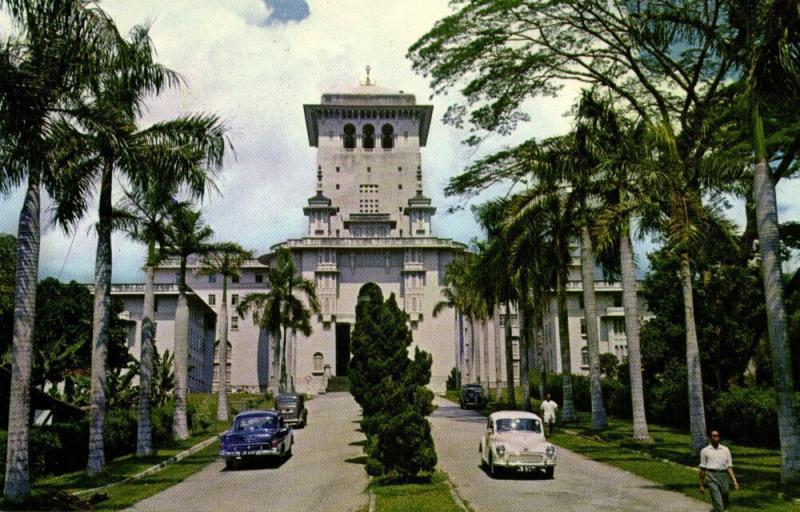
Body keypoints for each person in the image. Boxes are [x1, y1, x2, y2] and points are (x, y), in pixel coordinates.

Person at [699, 429, 739, 512]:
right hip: (711, 476)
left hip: (723, 475)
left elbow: (729, 467)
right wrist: (701, 485)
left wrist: (734, 481)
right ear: (710, 437)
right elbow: (702, 469)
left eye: (718, 436)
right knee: (717, 500)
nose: (716, 438)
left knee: (725, 498)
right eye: (714, 436)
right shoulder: (705, 451)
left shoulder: (725, 450)